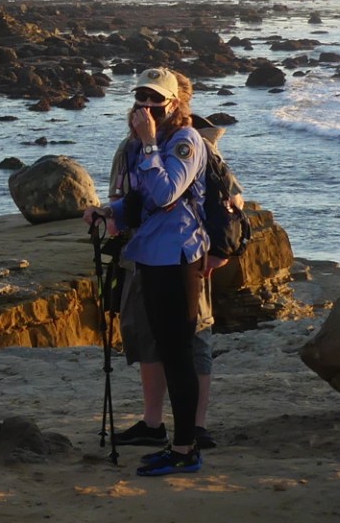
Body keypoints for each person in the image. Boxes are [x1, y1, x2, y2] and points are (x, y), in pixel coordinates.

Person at [90, 72, 238, 452]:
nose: (146, 107)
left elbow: (167, 191)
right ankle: (164, 432)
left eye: (155, 99)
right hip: (148, 256)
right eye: (141, 97)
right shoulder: (139, 146)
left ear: (174, 104)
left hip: (180, 256)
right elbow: (141, 200)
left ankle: (188, 441)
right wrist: (110, 213)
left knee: (183, 349)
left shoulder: (185, 141)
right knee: (160, 345)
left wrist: (150, 142)